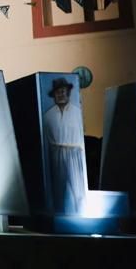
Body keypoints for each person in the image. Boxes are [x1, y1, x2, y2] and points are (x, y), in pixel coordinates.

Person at [42, 77, 87, 214]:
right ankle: (58, 217)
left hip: (75, 153)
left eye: (63, 92)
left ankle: (82, 216)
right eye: (58, 92)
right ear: (54, 95)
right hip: (56, 154)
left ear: (68, 93)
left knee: (78, 190)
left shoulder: (76, 112)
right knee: (58, 190)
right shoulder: (48, 115)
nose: (61, 95)